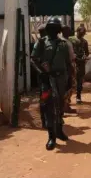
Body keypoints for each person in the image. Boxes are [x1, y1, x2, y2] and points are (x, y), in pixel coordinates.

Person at [31, 17, 74, 150]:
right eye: (51, 28)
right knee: (48, 106)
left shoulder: (64, 43)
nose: (54, 30)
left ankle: (59, 130)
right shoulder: (42, 42)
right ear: (48, 29)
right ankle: (51, 136)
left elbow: (68, 63)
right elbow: (33, 60)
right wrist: (41, 73)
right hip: (47, 80)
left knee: (61, 105)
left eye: (56, 28)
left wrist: (70, 80)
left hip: (61, 78)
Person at [69, 26, 90, 104]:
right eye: (81, 33)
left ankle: (78, 96)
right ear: (77, 31)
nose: (82, 35)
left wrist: (85, 56)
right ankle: (68, 98)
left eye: (83, 33)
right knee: (70, 81)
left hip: (81, 63)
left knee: (79, 81)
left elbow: (87, 52)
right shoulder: (71, 40)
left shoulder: (85, 42)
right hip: (72, 62)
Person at [61, 25, 76, 112]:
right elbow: (68, 56)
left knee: (69, 86)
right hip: (68, 65)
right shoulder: (64, 42)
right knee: (70, 85)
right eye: (69, 30)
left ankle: (66, 105)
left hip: (68, 64)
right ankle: (65, 106)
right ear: (65, 31)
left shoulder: (66, 41)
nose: (71, 31)